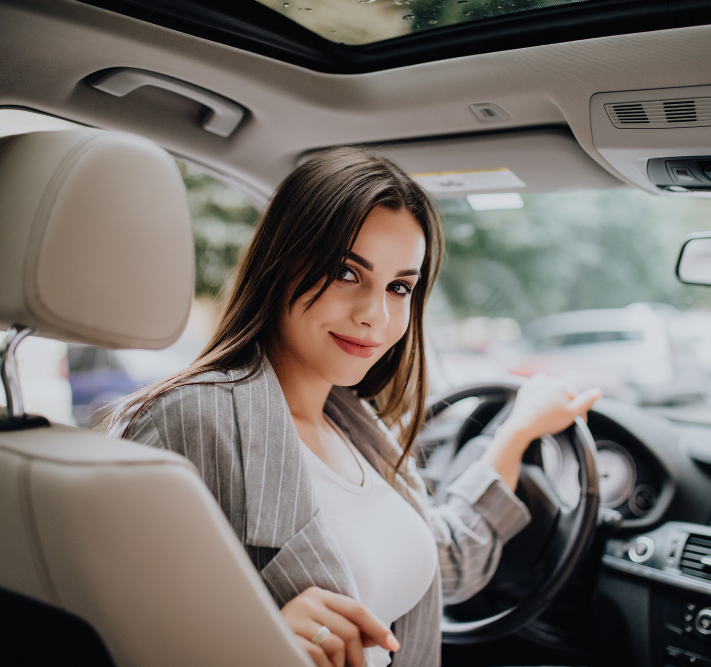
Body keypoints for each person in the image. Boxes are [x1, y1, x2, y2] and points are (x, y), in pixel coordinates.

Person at [107, 147, 600, 667]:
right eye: (346, 272)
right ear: (281, 263)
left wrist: (516, 434)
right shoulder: (186, 422)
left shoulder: (358, 425)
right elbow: (114, 629)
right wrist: (258, 640)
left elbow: (447, 564)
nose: (376, 314)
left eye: (399, 287)